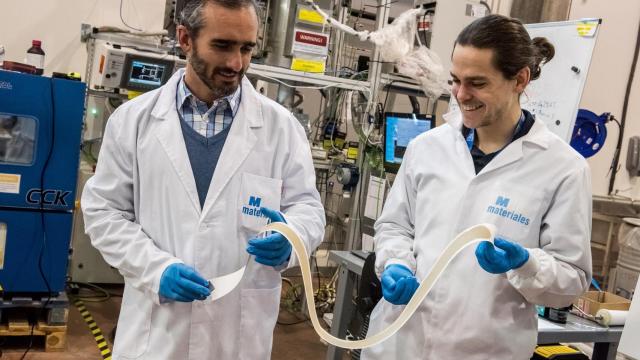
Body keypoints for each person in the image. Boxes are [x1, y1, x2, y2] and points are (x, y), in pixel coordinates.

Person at [81, 0, 325, 358]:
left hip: (238, 334)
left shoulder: (281, 129)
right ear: (185, 39)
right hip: (158, 333)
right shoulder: (133, 122)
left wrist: (292, 236)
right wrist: (155, 269)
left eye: (247, 48)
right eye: (222, 46)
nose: (236, 63)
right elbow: (104, 213)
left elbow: (308, 208)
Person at [362, 14, 592, 360]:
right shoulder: (428, 148)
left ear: (520, 79)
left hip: (484, 350)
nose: (460, 95)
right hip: (399, 343)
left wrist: (526, 264)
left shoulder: (563, 168)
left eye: (477, 83)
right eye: (455, 80)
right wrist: (395, 263)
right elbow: (395, 225)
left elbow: (571, 281)